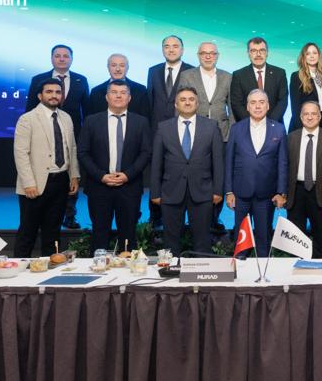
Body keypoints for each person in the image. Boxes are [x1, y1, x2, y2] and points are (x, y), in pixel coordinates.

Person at [78, 80, 152, 253]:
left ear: (129, 98)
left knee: (128, 237)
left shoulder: (141, 122)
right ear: (106, 97)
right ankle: (98, 267)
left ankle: (127, 268)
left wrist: (128, 175)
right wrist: (101, 176)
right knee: (99, 234)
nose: (118, 96)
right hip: (99, 187)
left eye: (123, 92)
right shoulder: (91, 121)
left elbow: (146, 153)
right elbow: (83, 153)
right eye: (114, 92)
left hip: (129, 187)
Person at [150, 87, 224, 254]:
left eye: (191, 99)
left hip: (203, 191)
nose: (187, 102)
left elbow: (218, 161)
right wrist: (155, 192)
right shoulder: (163, 127)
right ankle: (171, 269)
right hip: (170, 191)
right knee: (171, 242)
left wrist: (218, 190)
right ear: (176, 104)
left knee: (202, 240)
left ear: (197, 104)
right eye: (183, 99)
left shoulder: (211, 126)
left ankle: (202, 269)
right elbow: (156, 163)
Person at [13, 78, 80, 256]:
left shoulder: (66, 118)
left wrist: (74, 175)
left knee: (53, 233)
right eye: (49, 92)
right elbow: (21, 154)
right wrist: (28, 183)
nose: (54, 96)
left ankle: (51, 268)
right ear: (40, 96)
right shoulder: (27, 119)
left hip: (61, 181)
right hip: (35, 184)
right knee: (28, 232)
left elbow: (72, 148)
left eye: (58, 92)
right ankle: (19, 270)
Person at [26, 43, 89, 229]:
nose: (62, 59)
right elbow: (30, 109)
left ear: (71, 59)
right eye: (58, 55)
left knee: (71, 175)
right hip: (43, 136)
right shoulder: (39, 79)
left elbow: (87, 111)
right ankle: (44, 213)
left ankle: (69, 215)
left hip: (71, 136)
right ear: (52, 58)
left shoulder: (81, 80)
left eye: (66, 56)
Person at [224, 89, 288, 256]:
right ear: (247, 107)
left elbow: (282, 163)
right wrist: (229, 191)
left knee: (263, 239)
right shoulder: (236, 129)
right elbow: (229, 161)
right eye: (253, 103)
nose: (257, 106)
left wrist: (281, 192)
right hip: (240, 194)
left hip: (266, 195)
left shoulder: (279, 129)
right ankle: (240, 269)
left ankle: (262, 272)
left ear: (268, 106)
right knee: (241, 240)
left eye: (261, 102)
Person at [286, 101, 322, 260]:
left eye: (313, 114)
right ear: (300, 117)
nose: (309, 117)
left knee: (320, 233)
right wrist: (282, 192)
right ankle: (296, 266)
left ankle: (320, 266)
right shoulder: (291, 138)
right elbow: (284, 167)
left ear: (319, 117)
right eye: (306, 114)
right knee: (295, 235)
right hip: (296, 192)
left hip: (320, 192)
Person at [178, 41, 234, 141]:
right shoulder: (186, 76)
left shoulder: (227, 77)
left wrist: (231, 133)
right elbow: (180, 106)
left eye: (212, 53)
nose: (208, 57)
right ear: (198, 55)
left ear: (217, 56)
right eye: (203, 53)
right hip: (194, 132)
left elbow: (232, 108)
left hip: (222, 133)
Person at [229, 37, 287, 124]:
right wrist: (252, 124)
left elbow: (282, 101)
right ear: (248, 53)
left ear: (267, 53)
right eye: (254, 51)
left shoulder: (279, 73)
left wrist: (268, 124)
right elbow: (236, 104)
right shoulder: (238, 75)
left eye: (262, 50)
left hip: (274, 125)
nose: (258, 54)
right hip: (247, 126)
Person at [146, 34, 194, 133]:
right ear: (162, 50)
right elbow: (150, 101)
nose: (171, 50)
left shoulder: (192, 71)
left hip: (184, 128)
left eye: (175, 46)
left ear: (182, 50)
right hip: (157, 128)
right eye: (167, 46)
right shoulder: (153, 71)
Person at [86, 53, 150, 117]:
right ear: (108, 67)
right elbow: (90, 120)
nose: (118, 69)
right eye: (113, 65)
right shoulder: (96, 92)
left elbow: (145, 119)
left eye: (122, 65)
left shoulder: (141, 90)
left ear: (127, 68)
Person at [288, 42, 322, 132]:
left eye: (314, 53)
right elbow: (295, 107)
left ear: (319, 56)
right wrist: (301, 130)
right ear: (304, 57)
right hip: (304, 124)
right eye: (308, 53)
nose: (312, 56)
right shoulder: (297, 76)